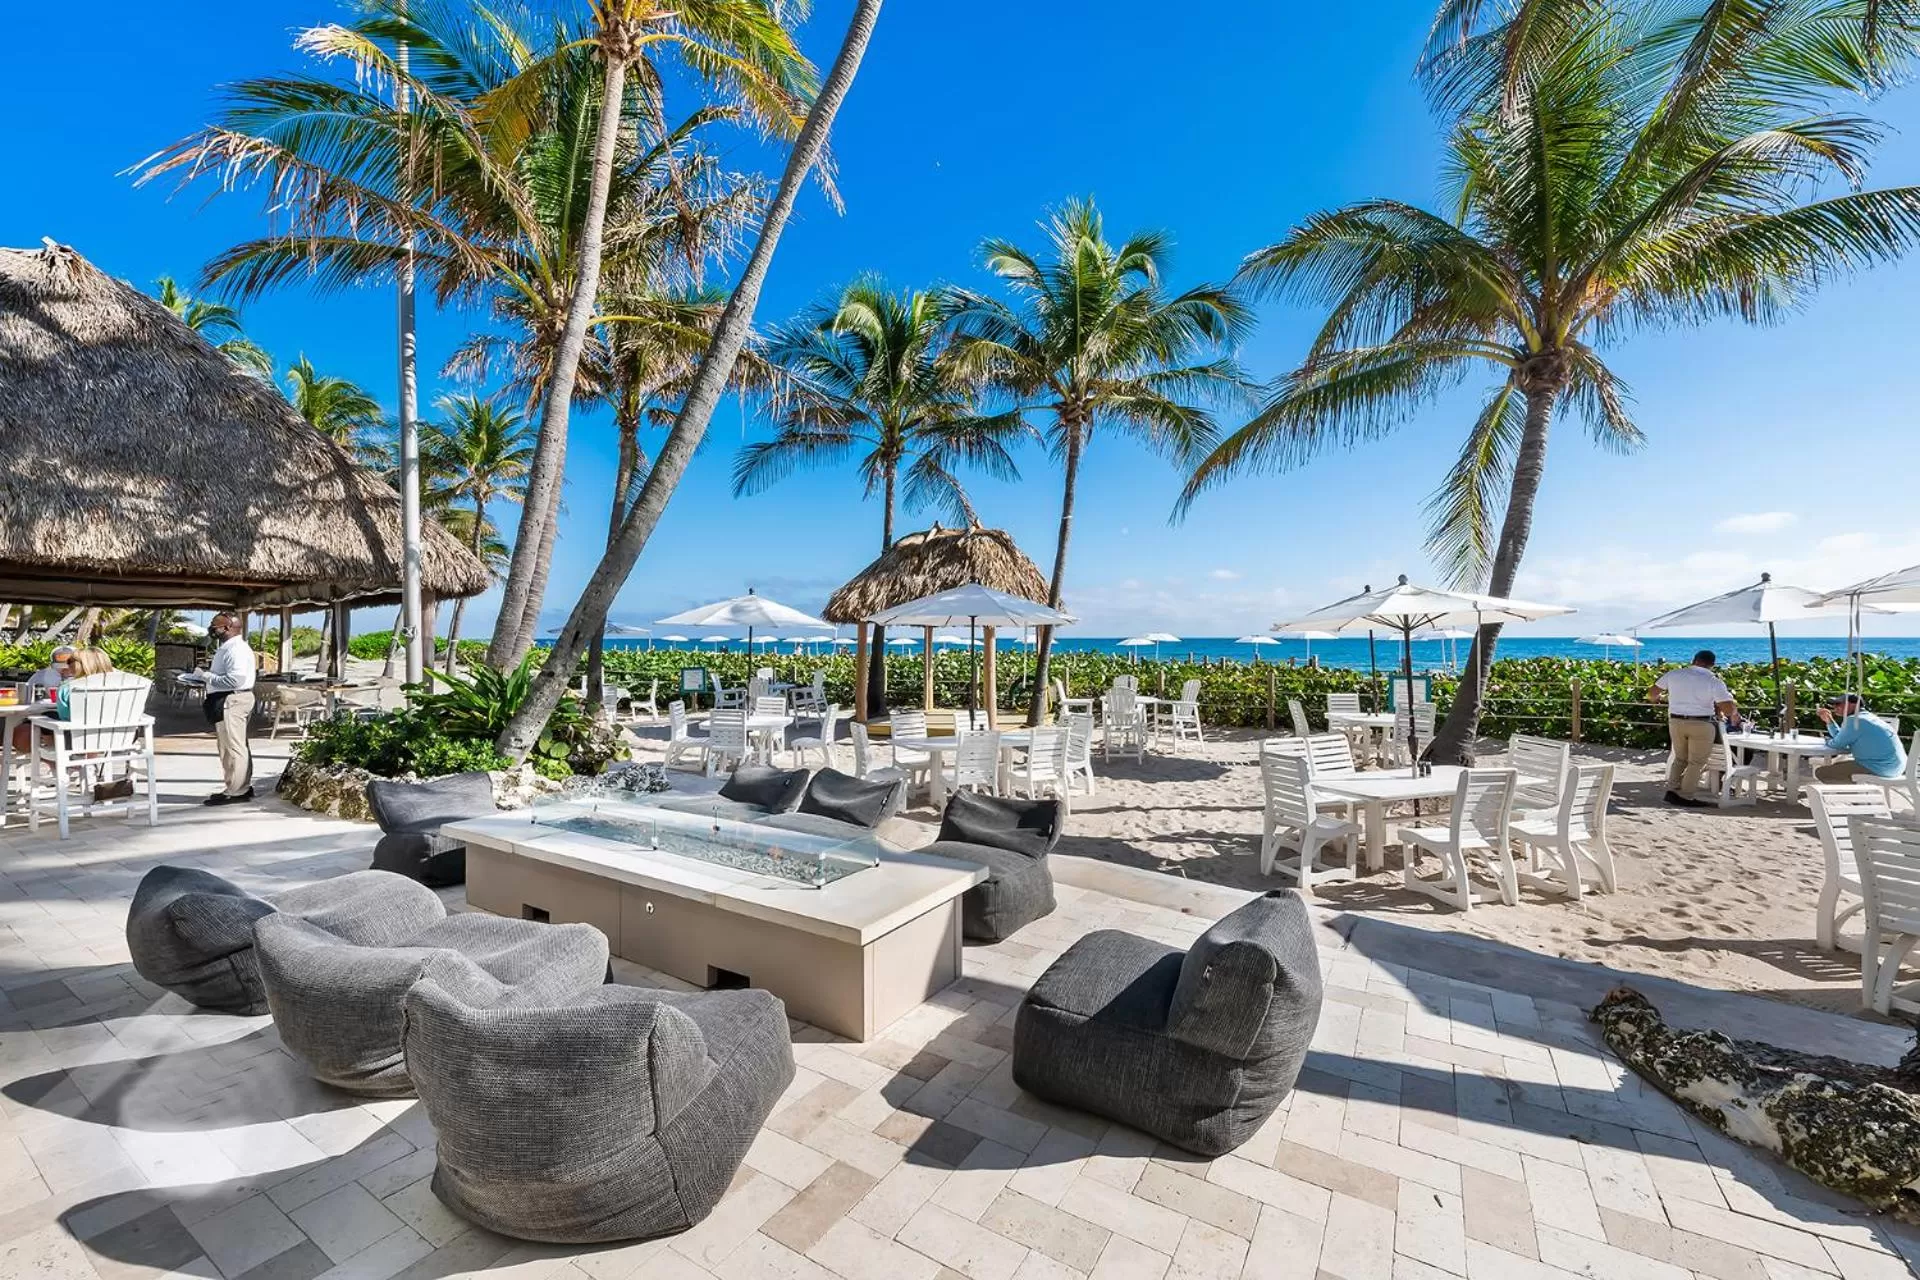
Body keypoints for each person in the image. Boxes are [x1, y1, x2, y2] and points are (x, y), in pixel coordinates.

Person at [1648, 649, 1736, 807]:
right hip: (1702, 724)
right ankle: (1686, 796)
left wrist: (1658, 699)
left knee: (1680, 758)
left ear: (1694, 660)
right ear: (1712, 664)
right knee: (1696, 762)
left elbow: (1652, 693)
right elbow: (1728, 710)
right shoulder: (1713, 681)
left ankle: (1672, 791)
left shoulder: (1674, 674)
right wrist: (1729, 702)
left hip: (1676, 721)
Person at [203, 612, 257, 805]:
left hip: (232, 699)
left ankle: (237, 791)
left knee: (233, 746)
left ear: (226, 628)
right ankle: (237, 786)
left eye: (214, 626)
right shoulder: (229, 648)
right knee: (232, 745)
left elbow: (235, 679)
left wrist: (207, 677)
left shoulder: (236, 650)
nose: (212, 629)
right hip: (229, 699)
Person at [1814, 694, 1908, 783]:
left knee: (1822, 772)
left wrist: (1827, 741)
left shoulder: (1854, 720)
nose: (1835, 707)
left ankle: (1857, 793)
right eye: (1833, 705)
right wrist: (1829, 721)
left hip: (1880, 768)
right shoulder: (1867, 717)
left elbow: (1836, 744)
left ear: (1854, 704)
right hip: (1895, 768)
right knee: (1838, 765)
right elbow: (1841, 740)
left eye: (1838, 704)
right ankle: (1859, 791)